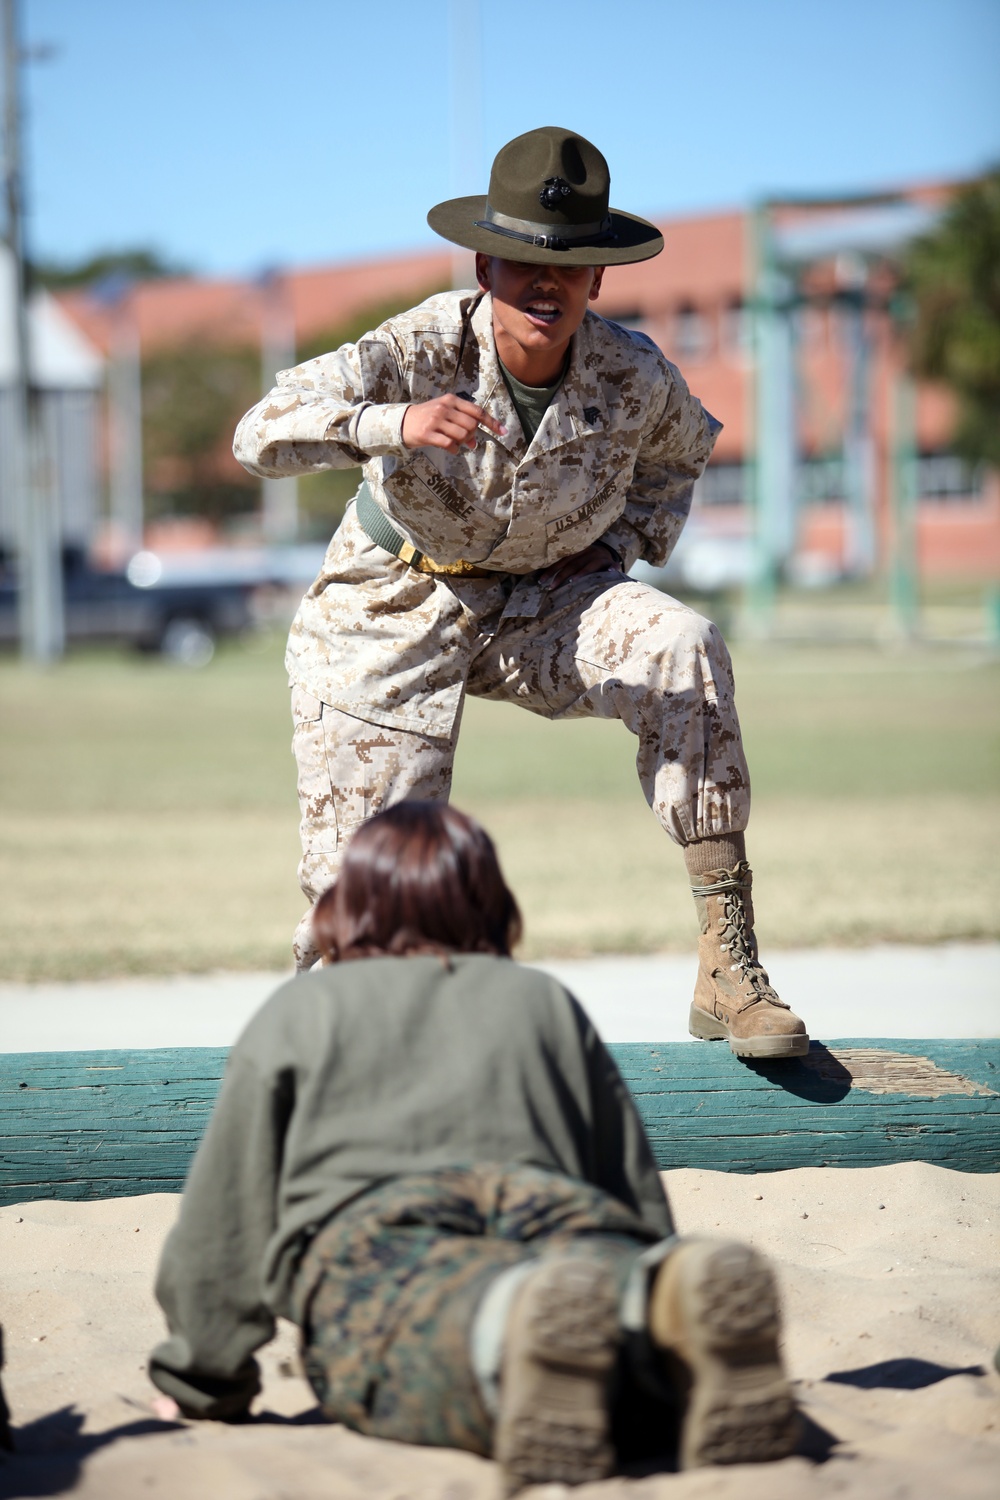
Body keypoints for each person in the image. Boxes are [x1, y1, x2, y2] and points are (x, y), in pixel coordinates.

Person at [234, 125, 809, 1061]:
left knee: (682, 645)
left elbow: (681, 453)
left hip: (542, 605)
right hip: (392, 607)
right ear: (484, 268)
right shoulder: (421, 345)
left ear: (597, 281)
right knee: (371, 886)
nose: (547, 285)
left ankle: (727, 965)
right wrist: (395, 423)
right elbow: (260, 434)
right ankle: (338, 1068)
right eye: (521, 263)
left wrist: (621, 545)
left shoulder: (631, 372)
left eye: (570, 267)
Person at [148, 803, 797, 1489]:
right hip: (562, 1216)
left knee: (420, 1321)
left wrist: (201, 1379)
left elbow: (223, 1228)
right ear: (489, 902)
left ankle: (509, 1323)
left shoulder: (303, 1010)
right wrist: (649, 1261)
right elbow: (625, 1179)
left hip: (383, 1233)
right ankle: (651, 1311)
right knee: (608, 1311)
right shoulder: (542, 1000)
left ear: (351, 903)